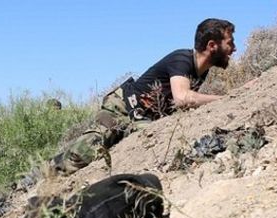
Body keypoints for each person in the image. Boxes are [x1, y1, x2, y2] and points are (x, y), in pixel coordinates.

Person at [54, 18, 237, 174]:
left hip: (141, 120)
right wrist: (226, 99)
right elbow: (183, 98)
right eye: (230, 43)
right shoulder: (182, 59)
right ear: (212, 46)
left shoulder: (201, 72)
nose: (234, 48)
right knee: (79, 156)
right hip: (123, 108)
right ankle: (36, 177)